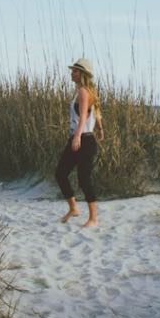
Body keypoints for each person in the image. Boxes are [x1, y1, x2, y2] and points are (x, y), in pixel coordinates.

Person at [55, 58, 104, 228]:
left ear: (82, 74)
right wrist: (100, 128)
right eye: (72, 70)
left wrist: (77, 137)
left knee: (84, 179)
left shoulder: (84, 92)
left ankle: (93, 219)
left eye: (75, 71)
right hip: (81, 138)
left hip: (84, 140)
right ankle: (74, 208)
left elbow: (83, 115)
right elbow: (96, 112)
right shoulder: (82, 91)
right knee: (61, 173)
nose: (72, 73)